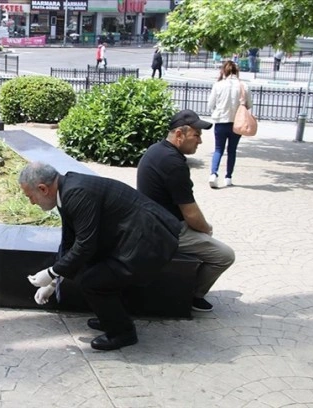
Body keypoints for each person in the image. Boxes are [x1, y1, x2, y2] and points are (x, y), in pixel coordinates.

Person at [20, 162, 181, 351]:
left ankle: (122, 332)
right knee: (92, 272)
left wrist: (51, 272)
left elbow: (85, 245)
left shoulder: (76, 193)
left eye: (30, 196)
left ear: (43, 188)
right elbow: (70, 241)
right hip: (133, 236)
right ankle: (111, 317)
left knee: (93, 281)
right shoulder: (66, 189)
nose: (32, 202)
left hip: (149, 241)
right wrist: (53, 282)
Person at [137, 109, 236, 313]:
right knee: (225, 255)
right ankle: (191, 295)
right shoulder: (173, 163)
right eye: (196, 135)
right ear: (179, 135)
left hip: (152, 223)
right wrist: (206, 228)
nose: (199, 141)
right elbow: (190, 213)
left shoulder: (156, 150)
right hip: (165, 231)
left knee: (203, 238)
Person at [206, 60, 252, 188]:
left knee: (218, 149)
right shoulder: (244, 86)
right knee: (232, 150)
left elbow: (210, 104)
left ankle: (213, 174)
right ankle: (228, 177)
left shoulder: (218, 85)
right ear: (236, 71)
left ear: (224, 71)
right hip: (237, 123)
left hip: (221, 121)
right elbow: (249, 105)